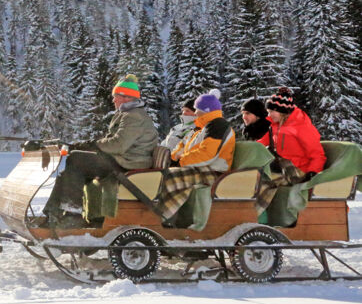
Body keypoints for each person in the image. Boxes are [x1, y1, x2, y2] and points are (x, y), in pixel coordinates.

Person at [41, 74, 157, 227]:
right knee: (69, 171)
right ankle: (54, 213)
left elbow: (119, 144)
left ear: (127, 97)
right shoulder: (127, 114)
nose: (113, 100)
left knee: (76, 159)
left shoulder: (134, 116)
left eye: (116, 96)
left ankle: (72, 214)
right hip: (123, 159)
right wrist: (87, 145)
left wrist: (93, 145)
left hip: (129, 163)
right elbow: (115, 142)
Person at [157, 89, 235, 223]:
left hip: (214, 171)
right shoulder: (201, 127)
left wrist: (181, 162)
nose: (195, 111)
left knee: (171, 177)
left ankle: (159, 218)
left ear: (205, 110)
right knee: (162, 174)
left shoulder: (218, 126)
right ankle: (166, 217)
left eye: (196, 109)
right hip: (202, 168)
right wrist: (172, 159)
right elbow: (183, 146)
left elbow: (207, 155)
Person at [254, 87, 326, 214]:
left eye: (271, 111)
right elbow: (259, 145)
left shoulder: (301, 125)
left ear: (282, 111)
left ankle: (253, 214)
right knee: (254, 173)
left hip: (300, 170)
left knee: (267, 179)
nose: (269, 115)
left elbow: (318, 154)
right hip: (282, 165)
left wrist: (312, 174)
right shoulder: (275, 125)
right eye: (268, 111)